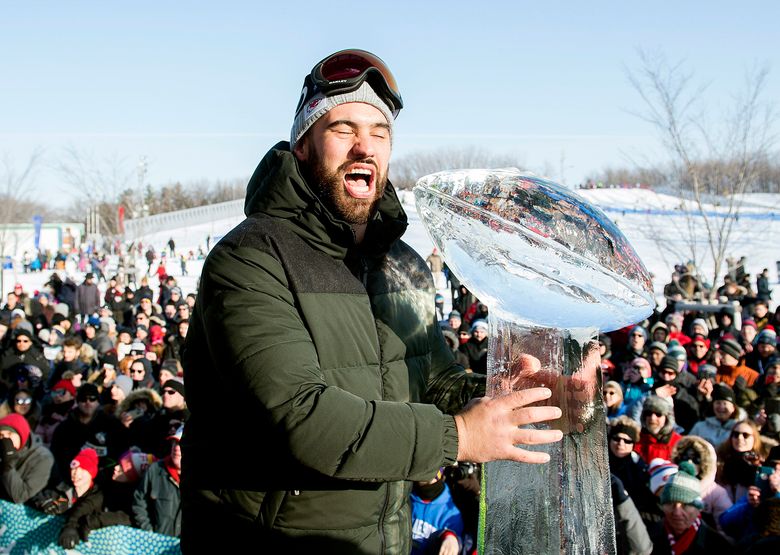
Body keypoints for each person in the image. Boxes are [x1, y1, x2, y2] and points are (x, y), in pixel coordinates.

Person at [181, 49, 564, 553]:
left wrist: (526, 397)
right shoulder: (251, 258)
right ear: (302, 146)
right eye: (343, 129)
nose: (365, 147)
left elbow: (434, 380)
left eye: (379, 133)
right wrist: (459, 436)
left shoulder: (401, 263)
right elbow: (302, 419)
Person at [647, 461, 729, 553]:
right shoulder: (647, 539)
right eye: (670, 503)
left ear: (698, 509)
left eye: (685, 505)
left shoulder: (719, 546)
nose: (677, 512)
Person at [132, 424, 182, 536]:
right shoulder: (155, 470)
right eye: (174, 443)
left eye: (182, 443)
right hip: (157, 546)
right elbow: (139, 502)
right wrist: (149, 533)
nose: (177, 448)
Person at [0, 413, 54, 504]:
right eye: (1, 435)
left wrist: (7, 466)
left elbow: (20, 496)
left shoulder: (42, 458)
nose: (5, 439)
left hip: (24, 512)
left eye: (10, 434)